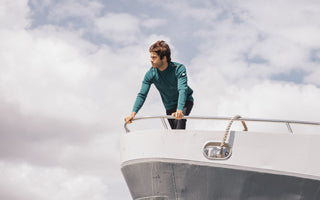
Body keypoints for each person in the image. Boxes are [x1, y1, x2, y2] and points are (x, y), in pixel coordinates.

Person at [124, 41, 194, 129]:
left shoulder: (178, 69)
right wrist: (133, 114)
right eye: (151, 57)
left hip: (184, 102)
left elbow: (182, 90)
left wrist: (179, 110)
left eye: (154, 58)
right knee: (175, 132)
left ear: (164, 58)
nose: (151, 60)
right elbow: (142, 95)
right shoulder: (151, 74)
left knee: (180, 124)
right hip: (169, 106)